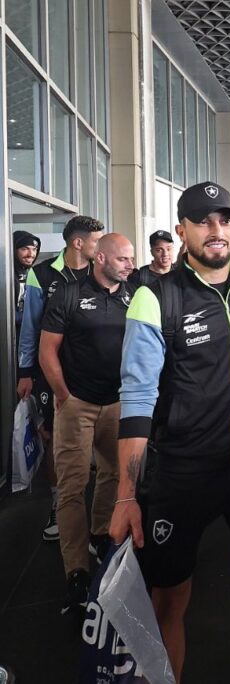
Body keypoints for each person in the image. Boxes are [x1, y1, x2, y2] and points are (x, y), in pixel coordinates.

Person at [110, 182, 230, 682]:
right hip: (181, 471)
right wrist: (126, 493)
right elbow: (138, 397)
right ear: (182, 229)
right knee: (169, 600)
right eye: (203, 221)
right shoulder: (154, 297)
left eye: (224, 220)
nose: (216, 230)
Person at [39, 234, 135, 613]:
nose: (130, 265)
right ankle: (76, 570)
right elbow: (48, 350)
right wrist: (64, 395)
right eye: (123, 259)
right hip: (76, 403)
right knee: (72, 487)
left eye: (131, 259)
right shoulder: (68, 294)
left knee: (113, 475)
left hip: (117, 402)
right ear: (100, 257)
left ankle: (99, 534)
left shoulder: (134, 294)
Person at [17, 215, 103, 542]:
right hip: (52, 369)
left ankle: (101, 515)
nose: (100, 246)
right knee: (55, 439)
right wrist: (26, 372)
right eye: (96, 240)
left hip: (95, 368)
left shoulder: (101, 270)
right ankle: (58, 501)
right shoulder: (43, 275)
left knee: (101, 438)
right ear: (78, 242)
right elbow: (30, 329)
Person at [13, 230, 40, 339]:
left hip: (25, 335)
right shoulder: (4, 274)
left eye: (34, 249)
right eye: (24, 249)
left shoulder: (31, 273)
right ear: (13, 250)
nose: (31, 254)